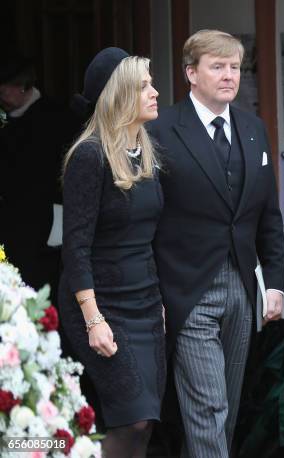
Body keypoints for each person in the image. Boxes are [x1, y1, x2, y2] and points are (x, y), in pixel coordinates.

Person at [148, 30, 284, 458]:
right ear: (191, 73)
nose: (230, 76)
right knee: (208, 407)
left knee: (225, 409)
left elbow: (268, 211)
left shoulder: (252, 128)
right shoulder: (161, 129)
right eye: (217, 66)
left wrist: (277, 283)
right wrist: (153, 291)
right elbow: (144, 219)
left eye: (234, 67)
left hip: (242, 289)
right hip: (186, 289)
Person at [58, 47, 164, 457]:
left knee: (145, 425)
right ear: (118, 96)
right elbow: (76, 247)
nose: (155, 92)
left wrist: (159, 304)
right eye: (144, 86)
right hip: (101, 306)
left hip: (145, 304)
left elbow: (148, 238)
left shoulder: (146, 154)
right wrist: (93, 319)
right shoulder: (89, 156)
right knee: (130, 419)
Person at [0, 52, 79, 297]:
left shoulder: (57, 119)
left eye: (4, 89)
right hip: (9, 226)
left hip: (44, 228)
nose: (1, 95)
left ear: (23, 87)